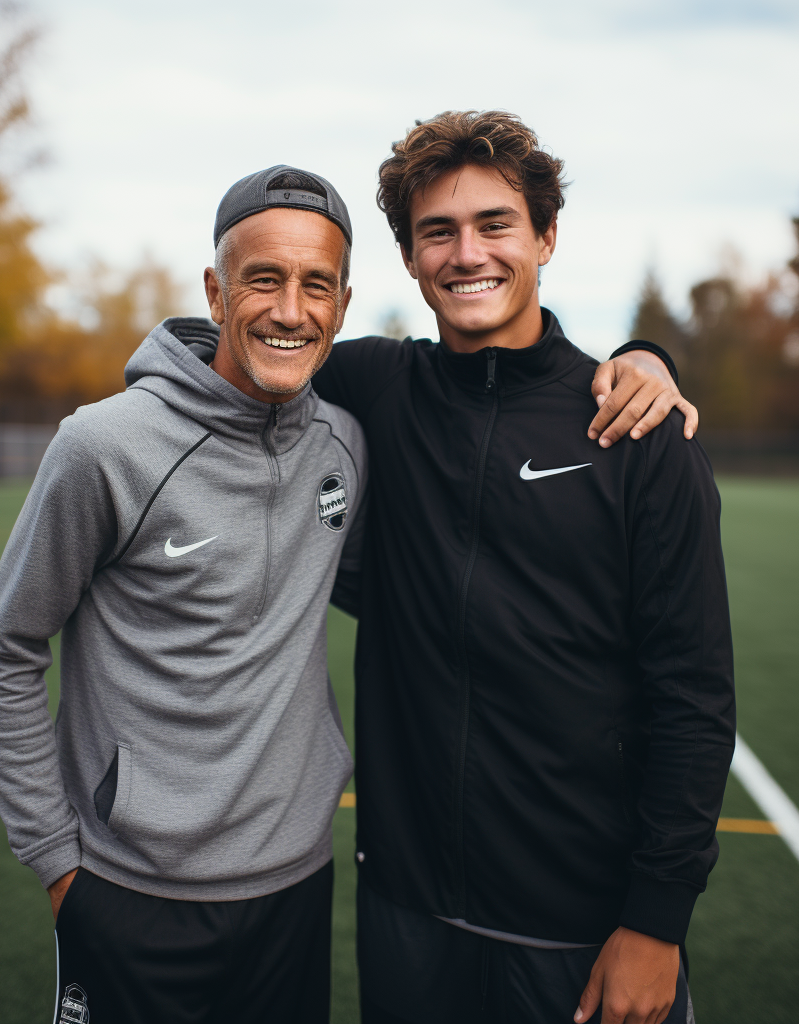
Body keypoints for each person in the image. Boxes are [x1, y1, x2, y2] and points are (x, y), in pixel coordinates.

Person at [0, 158, 694, 1022]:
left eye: (316, 285)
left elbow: (684, 686)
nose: (289, 309)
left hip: (354, 894)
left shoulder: (371, 430)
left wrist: (645, 355)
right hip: (203, 896)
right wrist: (58, 863)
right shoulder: (132, 441)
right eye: (263, 279)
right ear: (215, 289)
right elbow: (5, 648)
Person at [310, 111, 736, 1024]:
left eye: (495, 224)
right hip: (407, 912)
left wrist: (656, 924)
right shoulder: (375, 390)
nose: (468, 254)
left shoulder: (637, 434)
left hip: (580, 926)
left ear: (545, 236)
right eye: (438, 232)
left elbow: (694, 695)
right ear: (411, 257)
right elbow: (234, 339)